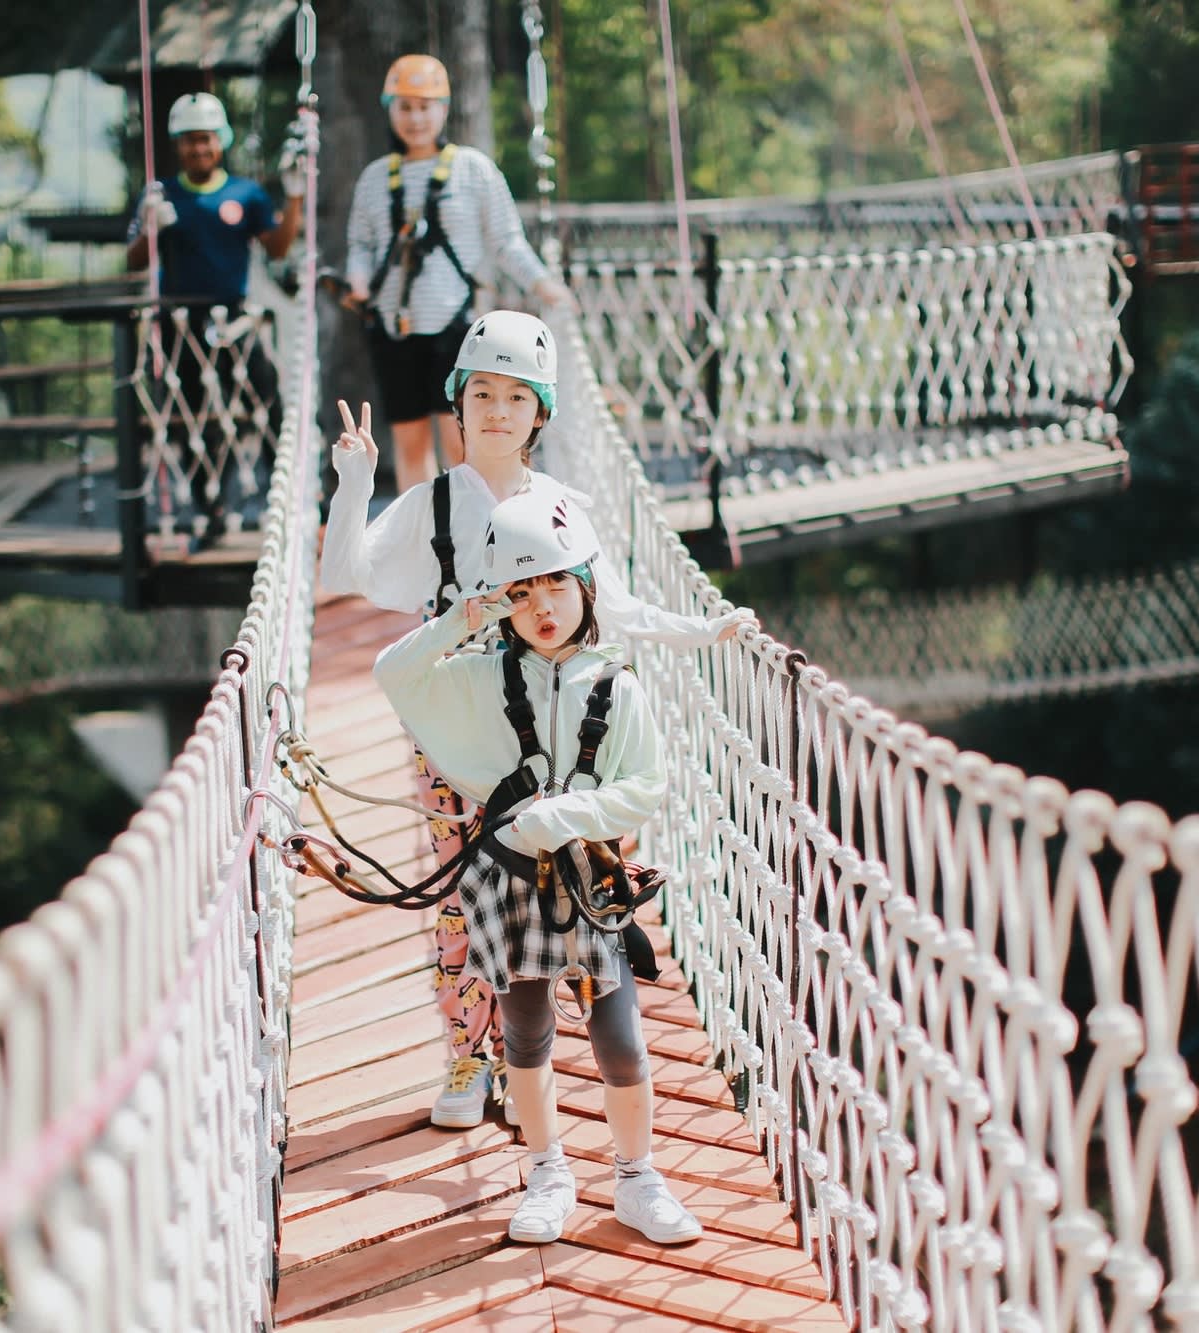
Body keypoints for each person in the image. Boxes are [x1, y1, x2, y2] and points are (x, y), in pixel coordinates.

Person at [319, 310, 750, 1131]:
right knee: (459, 891)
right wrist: (353, 481)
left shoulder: (561, 505)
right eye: (481, 392)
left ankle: (535, 1068)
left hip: (553, 724)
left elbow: (615, 607)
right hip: (459, 719)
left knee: (555, 882)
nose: (497, 410)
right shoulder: (430, 505)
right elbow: (346, 573)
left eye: (517, 396)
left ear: (540, 412)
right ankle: (469, 1058)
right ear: (457, 402)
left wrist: (704, 630)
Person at [371, 489, 705, 1246]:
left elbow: (645, 786)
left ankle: (637, 1177)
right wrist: (463, 619)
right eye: (521, 592)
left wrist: (568, 815)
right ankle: (548, 1172)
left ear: (586, 586)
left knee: (619, 1036)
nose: (542, 606)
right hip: (511, 880)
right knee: (524, 1033)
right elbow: (394, 673)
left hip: (587, 881)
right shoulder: (483, 677)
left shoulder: (616, 686)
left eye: (557, 583)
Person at [343, 53, 572, 494]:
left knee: (460, 440)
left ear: (443, 109)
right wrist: (357, 280)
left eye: (425, 107)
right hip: (394, 328)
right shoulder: (374, 179)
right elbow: (361, 244)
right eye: (405, 107)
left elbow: (506, 241)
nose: (415, 119)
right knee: (409, 443)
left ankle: (471, 524)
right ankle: (425, 527)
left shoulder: (473, 170)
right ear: (390, 110)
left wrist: (545, 286)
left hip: (455, 327)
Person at [126, 92, 305, 539]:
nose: (198, 148)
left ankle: (287, 496)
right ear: (177, 144)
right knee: (196, 417)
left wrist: (295, 198)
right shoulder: (160, 194)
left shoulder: (246, 194)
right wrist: (150, 227)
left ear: (220, 140)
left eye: (205, 138)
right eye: (189, 140)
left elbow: (278, 247)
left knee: (268, 403)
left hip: (234, 319)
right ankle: (211, 508)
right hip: (180, 324)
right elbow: (134, 261)